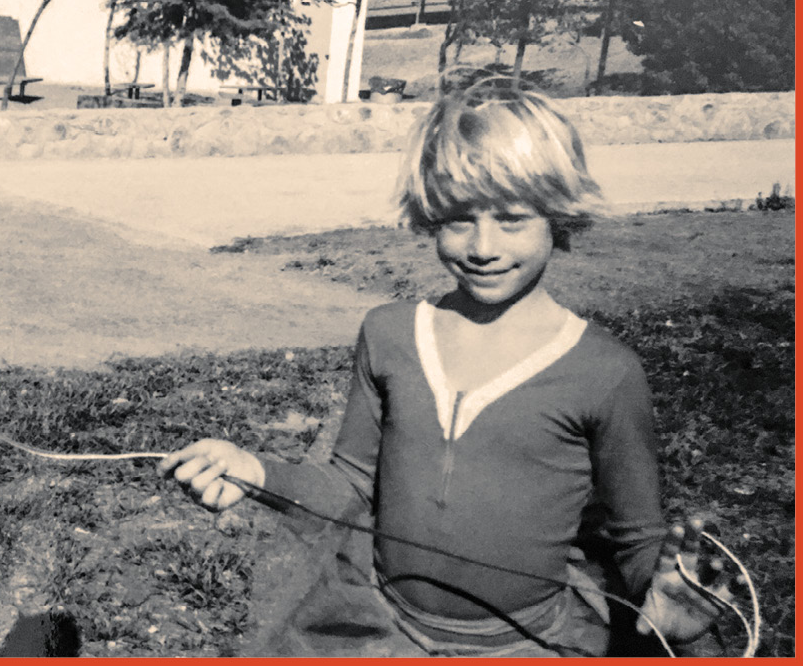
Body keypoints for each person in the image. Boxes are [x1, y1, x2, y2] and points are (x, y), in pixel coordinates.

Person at [161, 85, 728, 656]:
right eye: (459, 219)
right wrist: (257, 473)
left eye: (511, 219)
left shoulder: (603, 371)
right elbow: (350, 484)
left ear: (557, 216)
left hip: (526, 644)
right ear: (430, 216)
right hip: (381, 631)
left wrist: (664, 601)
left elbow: (634, 538)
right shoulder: (390, 334)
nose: (483, 246)